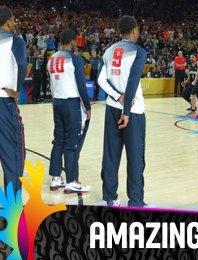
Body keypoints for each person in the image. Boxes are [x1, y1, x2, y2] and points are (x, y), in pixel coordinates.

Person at [98, 15, 148, 207]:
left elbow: (101, 80)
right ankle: (135, 201)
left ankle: (110, 198)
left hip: (112, 108)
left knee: (111, 154)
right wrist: (126, 109)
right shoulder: (139, 51)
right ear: (134, 30)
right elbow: (133, 82)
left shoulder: (109, 51)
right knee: (135, 157)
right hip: (132, 112)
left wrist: (117, 97)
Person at [48, 29, 91, 193]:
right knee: (71, 143)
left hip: (56, 102)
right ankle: (72, 180)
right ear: (73, 42)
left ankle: (56, 179)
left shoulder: (51, 59)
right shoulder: (76, 59)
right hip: (71, 104)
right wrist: (87, 107)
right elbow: (81, 86)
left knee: (58, 141)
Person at [0, 6, 27, 194]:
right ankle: (13, 208)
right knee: (13, 155)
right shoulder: (15, 40)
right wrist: (17, 90)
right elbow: (22, 63)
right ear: (9, 21)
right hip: (3, 101)